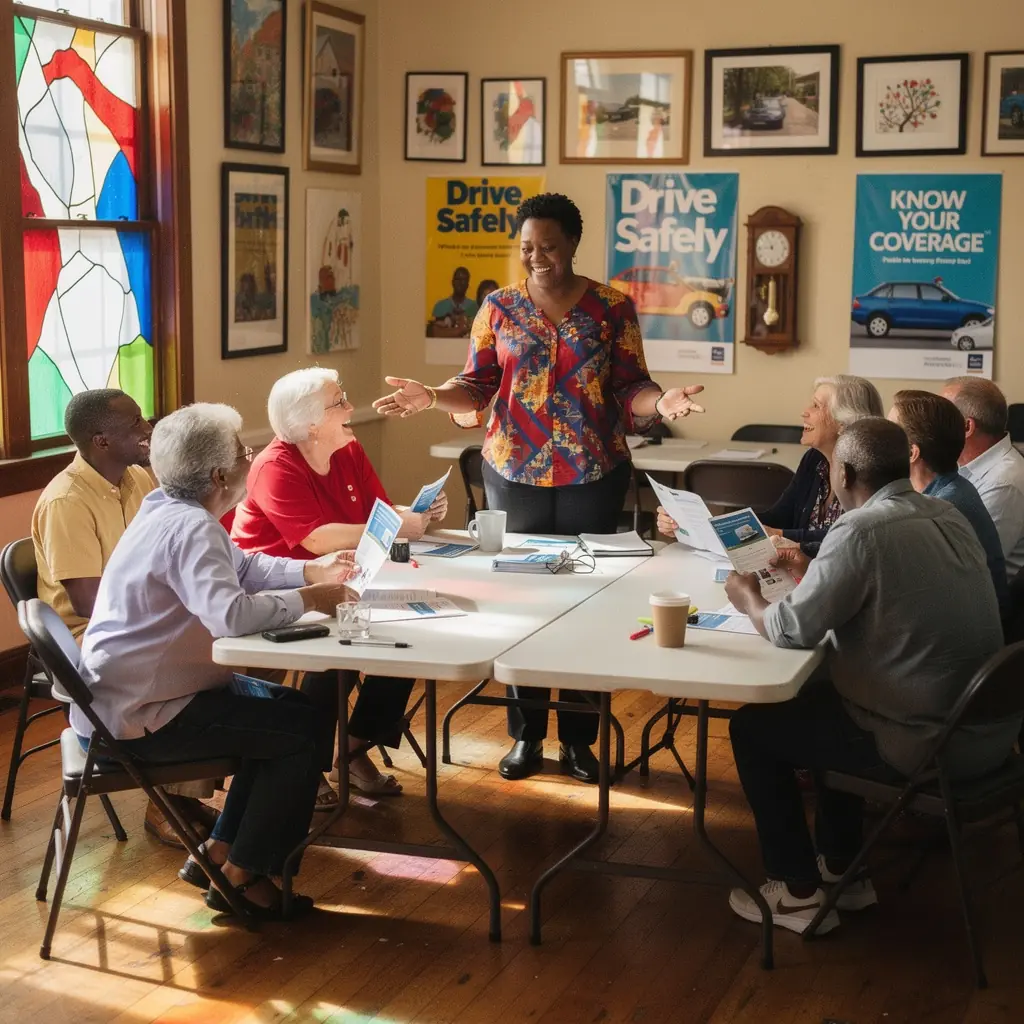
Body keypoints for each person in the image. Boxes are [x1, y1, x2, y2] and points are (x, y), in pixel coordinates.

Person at [372, 191, 706, 784]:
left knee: (587, 601)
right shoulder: (497, 308)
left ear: (573, 243)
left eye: (548, 246)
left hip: (594, 472)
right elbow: (475, 387)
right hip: (514, 472)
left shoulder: (612, 308)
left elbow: (633, 389)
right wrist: (430, 396)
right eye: (527, 247)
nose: (536, 257)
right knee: (520, 599)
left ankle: (579, 739)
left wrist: (666, 402)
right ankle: (526, 736)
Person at [723, 418, 1015, 936]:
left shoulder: (857, 529)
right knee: (834, 703)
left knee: (753, 729)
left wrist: (748, 597)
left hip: (927, 746)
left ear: (845, 471)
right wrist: (814, 573)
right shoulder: (946, 512)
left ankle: (796, 892)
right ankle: (843, 870)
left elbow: (791, 630)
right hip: (992, 737)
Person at [73, 403, 358, 919]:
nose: (252, 460)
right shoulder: (191, 527)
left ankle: (224, 852)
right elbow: (230, 615)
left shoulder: (167, 508)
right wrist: (312, 600)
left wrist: (308, 572)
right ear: (220, 474)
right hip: (142, 714)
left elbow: (242, 566)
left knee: (300, 716)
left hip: (129, 696)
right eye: (244, 453)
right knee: (297, 737)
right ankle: (242, 876)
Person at [232, 367, 447, 798]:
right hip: (279, 585)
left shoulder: (347, 448)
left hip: (343, 578)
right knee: (337, 652)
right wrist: (399, 523)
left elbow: (379, 514)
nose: (351, 408)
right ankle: (306, 762)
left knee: (409, 636)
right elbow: (315, 539)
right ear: (310, 423)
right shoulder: (274, 466)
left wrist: (416, 514)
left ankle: (351, 748)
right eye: (339, 402)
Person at [31, 388, 217, 848]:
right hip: (90, 634)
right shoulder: (66, 502)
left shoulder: (138, 480)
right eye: (135, 423)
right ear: (101, 441)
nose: (147, 428)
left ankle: (187, 787)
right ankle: (166, 801)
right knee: (211, 650)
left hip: (134, 616)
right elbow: (87, 601)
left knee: (232, 638)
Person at [657, 375, 883, 556]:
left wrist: (778, 534)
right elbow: (778, 515)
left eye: (816, 406)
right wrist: (699, 523)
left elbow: (850, 537)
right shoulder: (814, 460)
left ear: (843, 423)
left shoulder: (868, 474)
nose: (804, 412)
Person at [887, 389, 1007, 610]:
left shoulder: (940, 508)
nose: (880, 440)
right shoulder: (949, 487)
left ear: (912, 452)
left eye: (889, 432)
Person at [941, 376, 1024, 578]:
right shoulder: (962, 465)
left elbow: (969, 565)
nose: (933, 423)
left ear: (967, 427)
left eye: (941, 416)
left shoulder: (1004, 482)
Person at [428, 266, 478, 338]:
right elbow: (434, 334)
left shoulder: (474, 307)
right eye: (458, 279)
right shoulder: (439, 306)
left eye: (464, 280)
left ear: (467, 284)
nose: (460, 283)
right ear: (452, 282)